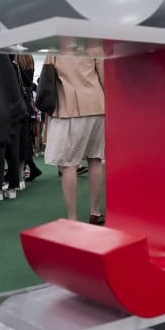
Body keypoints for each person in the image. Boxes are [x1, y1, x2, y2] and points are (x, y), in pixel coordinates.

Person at [43, 55, 105, 223]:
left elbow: (47, 76)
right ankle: (95, 211)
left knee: (68, 164)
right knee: (96, 159)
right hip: (96, 105)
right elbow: (104, 76)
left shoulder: (55, 46)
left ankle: (72, 217)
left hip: (68, 108)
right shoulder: (93, 44)